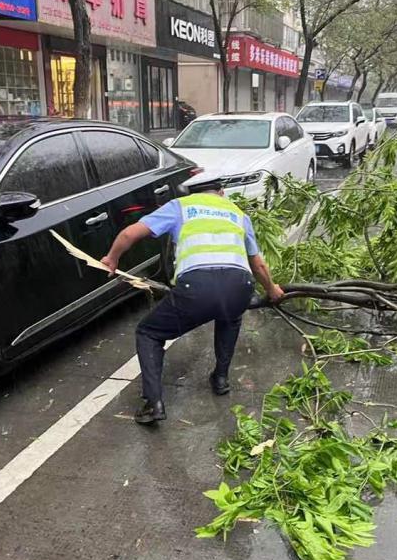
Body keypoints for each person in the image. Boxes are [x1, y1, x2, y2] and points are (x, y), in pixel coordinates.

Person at [100, 180, 284, 425]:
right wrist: (272, 289)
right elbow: (258, 264)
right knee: (230, 314)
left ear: (191, 193)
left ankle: (153, 403)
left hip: (197, 287)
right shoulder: (238, 214)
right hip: (239, 285)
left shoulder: (180, 206)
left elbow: (129, 233)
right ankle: (220, 379)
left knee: (148, 333)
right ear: (221, 193)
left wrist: (112, 259)